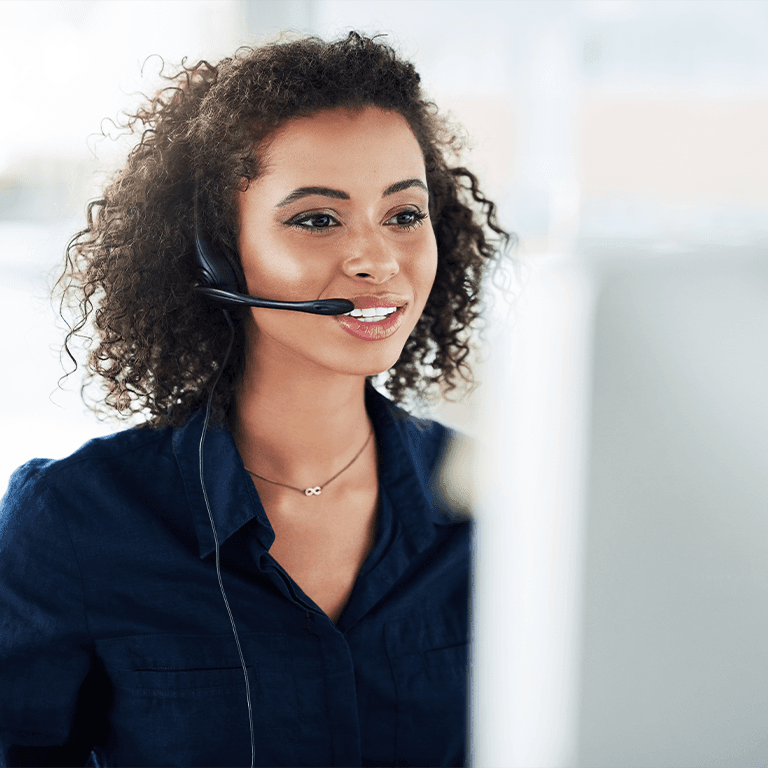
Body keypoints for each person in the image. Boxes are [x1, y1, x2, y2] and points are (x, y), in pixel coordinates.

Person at [0, 31, 509, 768]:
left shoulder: (501, 508)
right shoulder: (74, 521)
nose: (377, 259)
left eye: (404, 215)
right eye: (316, 219)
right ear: (216, 250)